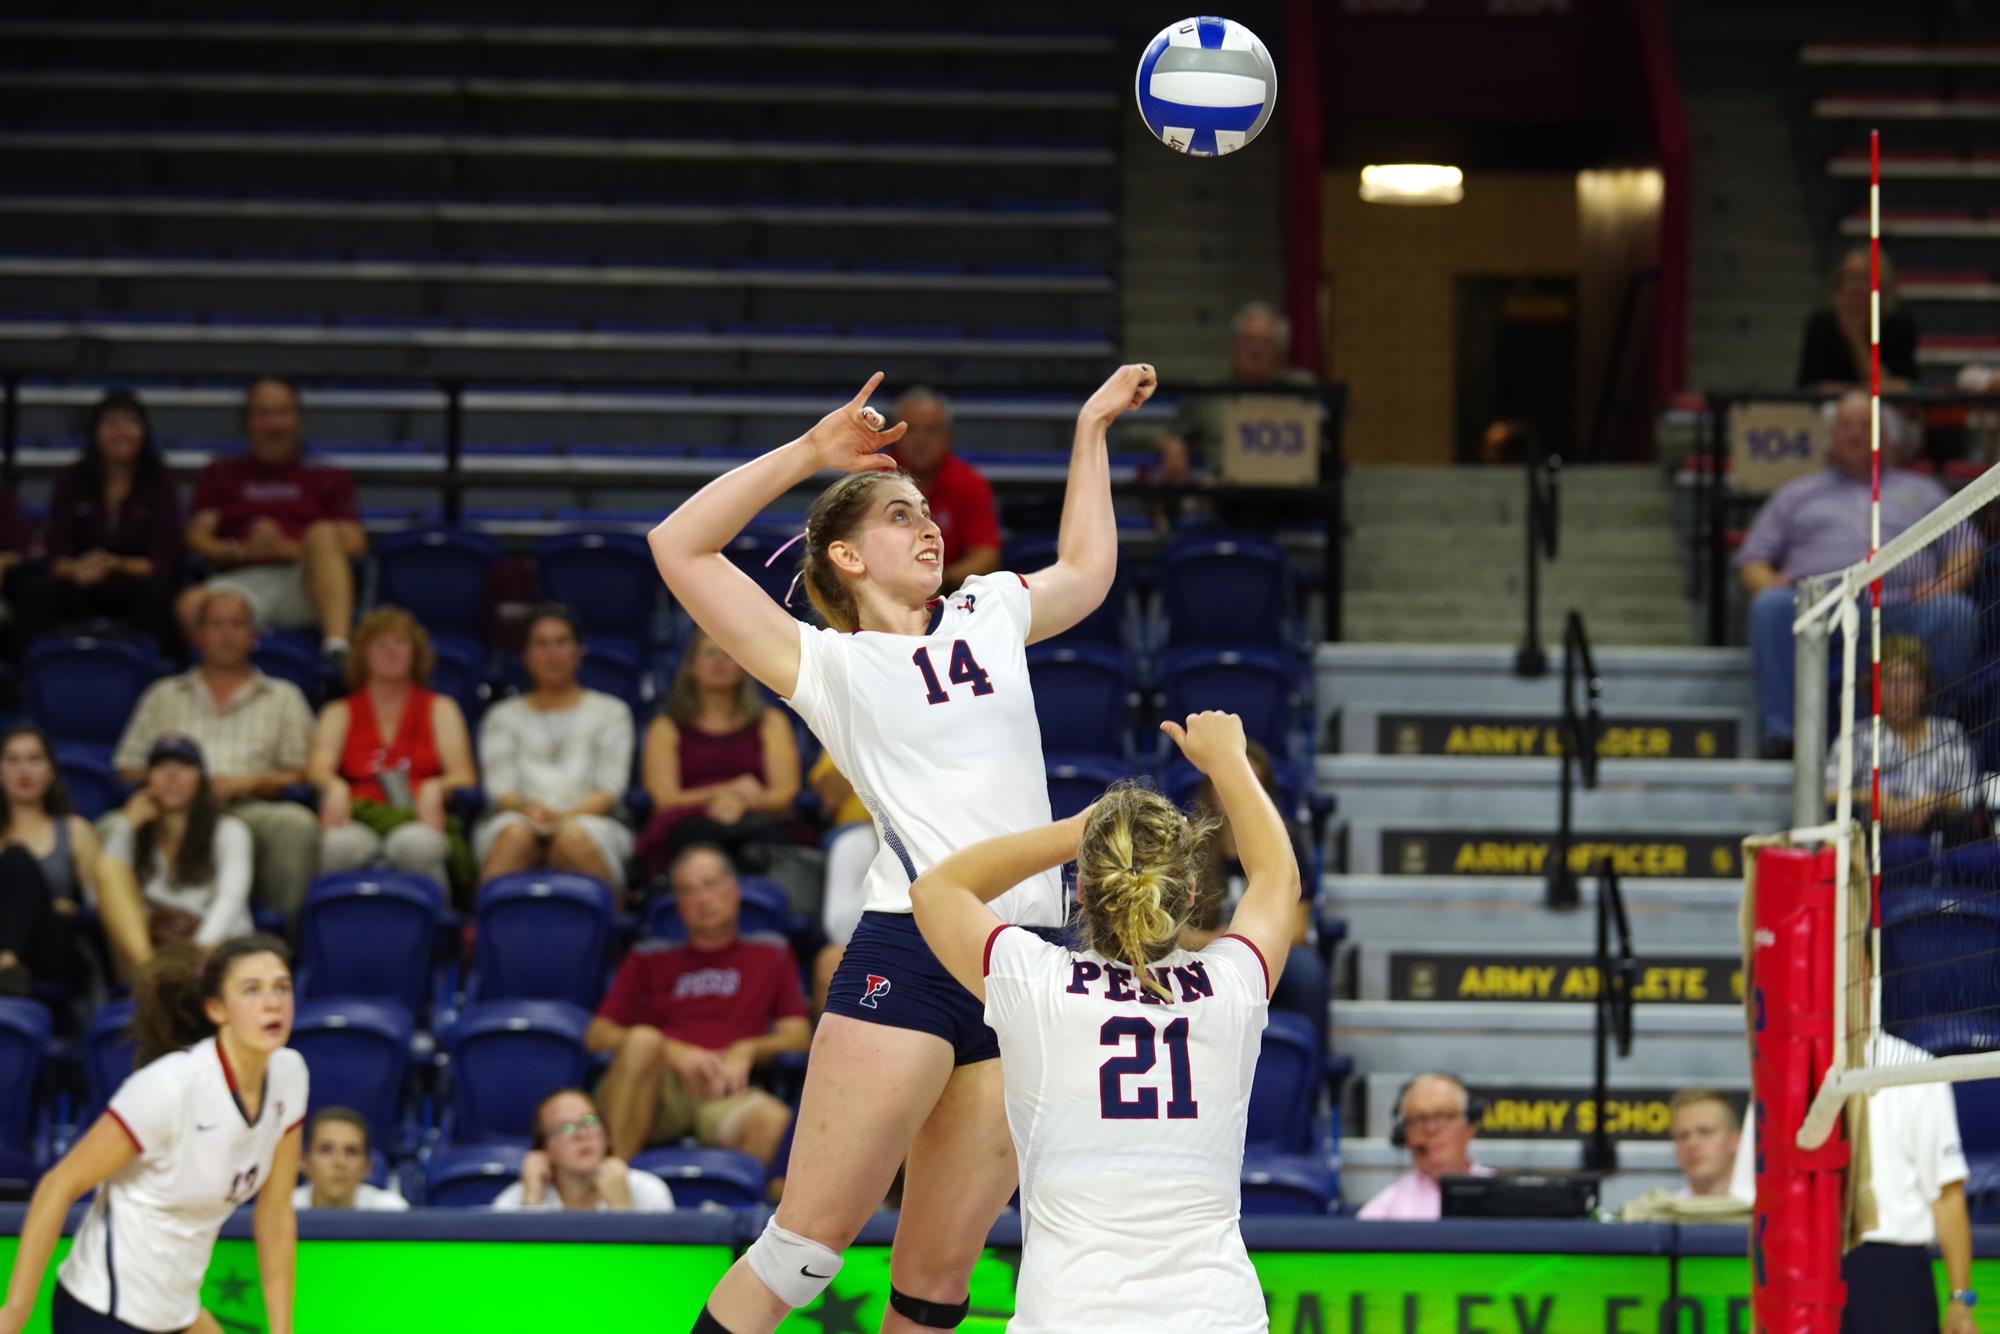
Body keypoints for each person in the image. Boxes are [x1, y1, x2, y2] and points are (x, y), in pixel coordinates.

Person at [647, 363, 1153, 1334]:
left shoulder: (989, 609)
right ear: (843, 555)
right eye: (898, 514)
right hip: (912, 952)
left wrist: (1090, 427)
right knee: (802, 1252)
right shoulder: (827, 662)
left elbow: (1088, 569)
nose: (928, 526)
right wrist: (809, 452)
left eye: (927, 511)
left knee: (934, 1284)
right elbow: (677, 544)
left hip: (1025, 961)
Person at [907, 710, 1296, 1334]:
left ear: (1083, 892)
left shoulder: (1036, 983)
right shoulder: (1232, 986)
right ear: (1189, 896)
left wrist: (1075, 833)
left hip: (1070, 1315)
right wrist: (1228, 762)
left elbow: (935, 889)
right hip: (1217, 1315)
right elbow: (1277, 879)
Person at [0, 935, 306, 1334]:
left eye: (281, 988)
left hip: (176, 1309)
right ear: (217, 1009)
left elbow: (276, 1214)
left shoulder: (289, 1074)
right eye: (252, 990)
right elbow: (58, 1185)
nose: (272, 1003)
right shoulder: (169, 1087)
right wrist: (14, 1313)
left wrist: (283, 1329)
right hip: (105, 1310)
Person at [1737, 391, 1977, 758]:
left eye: (1866, 425)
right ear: (1830, 436)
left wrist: (1944, 584)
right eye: (1845, 425)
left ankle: (1935, 735)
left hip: (1904, 608)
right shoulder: (1796, 493)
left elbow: (1966, 546)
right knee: (1769, 607)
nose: (1854, 433)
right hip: (1821, 608)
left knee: (1955, 612)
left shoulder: (1924, 492)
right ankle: (1784, 738)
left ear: (1889, 437)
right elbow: (1752, 559)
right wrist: (1769, 582)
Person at [590, 845, 809, 1171]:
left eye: (710, 885)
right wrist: (671, 1051)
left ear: (734, 891)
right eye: (688, 891)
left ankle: (737, 1202)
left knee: (773, 1121)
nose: (702, 900)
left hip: (725, 1088)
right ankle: (612, 1182)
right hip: (657, 1088)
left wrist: (747, 1049)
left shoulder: (770, 953)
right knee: (643, 1041)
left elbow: (798, 1036)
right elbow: (597, 1035)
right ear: (678, 904)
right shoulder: (648, 957)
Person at [1731, 1047, 1975, 1332]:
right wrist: (1760, 1304)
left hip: (1893, 1276)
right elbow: (1764, 1207)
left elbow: (1946, 1192)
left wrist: (1961, 1301)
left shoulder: (1918, 1067)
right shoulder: (1778, 1070)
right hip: (1801, 1266)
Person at [113, 587, 320, 921]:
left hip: (249, 806)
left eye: (237, 624)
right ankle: (131, 935)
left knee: (297, 825)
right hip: (171, 809)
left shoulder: (284, 696)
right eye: (216, 625)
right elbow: (128, 768)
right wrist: (178, 786)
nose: (227, 634)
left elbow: (302, 772)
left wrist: (249, 783)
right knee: (111, 827)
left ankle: (283, 934)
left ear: (254, 635)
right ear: (198, 635)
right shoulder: (163, 694)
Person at [177, 377, 365, 660]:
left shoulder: (328, 476)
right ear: (247, 422)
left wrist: (289, 548)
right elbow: (196, 538)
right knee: (190, 604)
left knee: (323, 533)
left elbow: (355, 543)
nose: (274, 424)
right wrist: (239, 551)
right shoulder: (220, 473)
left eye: (282, 413)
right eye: (263, 414)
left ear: (298, 419)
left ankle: (336, 650)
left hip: (306, 583)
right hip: (242, 581)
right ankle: (218, 679)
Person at [309, 606, 477, 896]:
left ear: (415, 653)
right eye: (380, 644)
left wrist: (437, 786)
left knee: (414, 845)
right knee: (336, 845)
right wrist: (334, 785)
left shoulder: (441, 709)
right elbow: (318, 767)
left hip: (418, 815)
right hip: (359, 814)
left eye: (400, 643)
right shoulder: (339, 712)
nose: (391, 652)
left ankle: (438, 921)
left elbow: (464, 776)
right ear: (363, 654)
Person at [475, 604, 636, 893]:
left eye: (561, 642)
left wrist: (562, 819)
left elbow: (610, 788)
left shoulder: (611, 711)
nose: (552, 653)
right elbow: (500, 789)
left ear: (578, 651)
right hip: (519, 816)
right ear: (526, 656)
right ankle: (487, 921)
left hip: (593, 819)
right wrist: (530, 812)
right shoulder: (502, 716)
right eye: (541, 644)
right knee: (515, 836)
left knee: (572, 839)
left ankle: (613, 919)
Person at [12, 389, 182, 650]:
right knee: (34, 589)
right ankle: (35, 666)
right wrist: (75, 570)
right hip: (80, 581)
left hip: (134, 582)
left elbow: (164, 560)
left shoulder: (160, 481)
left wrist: (116, 564)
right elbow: (55, 553)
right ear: (95, 432)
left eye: (130, 423)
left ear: (144, 432)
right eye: (111, 423)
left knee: (159, 591)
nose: (121, 432)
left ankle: (154, 666)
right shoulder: (71, 478)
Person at [1185, 739, 1326, 1046]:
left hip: (1266, 950)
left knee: (1307, 971)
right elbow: (1172, 931)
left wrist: (1242, 944)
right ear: (1210, 788)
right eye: (1226, 781)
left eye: (1247, 783)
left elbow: (1298, 930)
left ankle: (1311, 1064)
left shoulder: (1286, 841)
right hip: (1206, 949)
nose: (1234, 792)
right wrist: (1212, 940)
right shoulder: (1189, 842)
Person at [635, 628, 799, 886]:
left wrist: (741, 804)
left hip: (755, 818)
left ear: (743, 664)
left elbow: (785, 794)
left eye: (728, 653)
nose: (719, 661)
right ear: (691, 666)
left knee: (769, 840)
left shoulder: (771, 722)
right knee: (695, 836)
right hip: (688, 822)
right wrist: (727, 792)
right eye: (710, 653)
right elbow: (664, 799)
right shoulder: (665, 726)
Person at [0, 725, 149, 992]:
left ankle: (6, 964)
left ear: (51, 771)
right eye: (13, 760)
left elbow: (99, 905)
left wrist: (73, 909)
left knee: (16, 857)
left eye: (34, 759)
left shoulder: (75, 830)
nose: (24, 770)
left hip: (52, 946)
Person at [105, 737, 255, 950]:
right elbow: (103, 893)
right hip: (155, 947)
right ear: (147, 779)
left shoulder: (230, 831)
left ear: (202, 779)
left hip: (216, 947)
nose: (172, 775)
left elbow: (230, 901)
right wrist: (126, 827)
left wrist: (195, 954)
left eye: (184, 766)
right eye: (161, 766)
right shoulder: (132, 831)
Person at [1825, 635, 1978, 836]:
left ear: (1924, 687)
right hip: (1877, 837)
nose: (1898, 691)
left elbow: (1969, 796)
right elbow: (1826, 795)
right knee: (1906, 848)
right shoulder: (1856, 737)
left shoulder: (1950, 732)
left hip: (1940, 834)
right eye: (1888, 680)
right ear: (1874, 686)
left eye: (1908, 680)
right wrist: (1872, 798)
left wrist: (1933, 802)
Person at [1153, 300, 1317, 485]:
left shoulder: (1302, 390)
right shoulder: (1208, 390)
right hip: (1227, 493)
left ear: (1281, 351)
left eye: (1266, 342)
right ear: (1234, 346)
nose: (1256, 349)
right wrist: (1173, 446)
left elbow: (1324, 442)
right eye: (1248, 339)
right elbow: (1168, 434)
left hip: (1290, 493)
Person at [490, 1087, 675, 1213]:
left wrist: (622, 1208)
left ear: (606, 1134)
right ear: (544, 1149)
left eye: (590, 1121)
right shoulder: (515, 1201)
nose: (581, 1134)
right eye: (565, 1127)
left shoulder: (648, 1191)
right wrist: (531, 1204)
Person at [890, 388, 999, 590]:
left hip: (950, 593)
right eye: (910, 430)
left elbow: (986, 555)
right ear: (893, 435)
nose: (921, 440)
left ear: (947, 437)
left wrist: (940, 580)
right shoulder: (872, 479)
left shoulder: (969, 483)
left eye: (931, 430)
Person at [1355, 1073, 1495, 1220]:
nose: (1431, 1129)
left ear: (1470, 1125)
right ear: (1404, 1134)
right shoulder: (1383, 1213)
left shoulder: (1503, 1196)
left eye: (1443, 1116)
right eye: (1418, 1119)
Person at [807, 750, 875, 1013]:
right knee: (832, 959)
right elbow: (841, 930)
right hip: (863, 831)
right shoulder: (854, 846)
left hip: (934, 830)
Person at [1797, 249, 1919, 392]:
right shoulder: (1820, 323)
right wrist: (1861, 392)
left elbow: (1900, 386)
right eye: (1851, 278)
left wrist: (1856, 338)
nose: (1857, 288)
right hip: (1832, 404)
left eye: (1866, 279)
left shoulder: (1899, 323)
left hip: (1884, 403)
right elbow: (1812, 387)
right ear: (1838, 284)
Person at [292, 1107, 409, 1212]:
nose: (340, 1162)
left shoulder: (393, 1211)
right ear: (304, 1161)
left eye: (351, 1151)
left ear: (367, 1166)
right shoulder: (285, 1208)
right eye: (326, 1150)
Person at [1668, 1089, 1741, 1199]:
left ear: (1735, 1141)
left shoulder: (1762, 1205)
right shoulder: (1661, 1209)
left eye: (1705, 1132)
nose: (1692, 1144)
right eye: (1683, 1135)